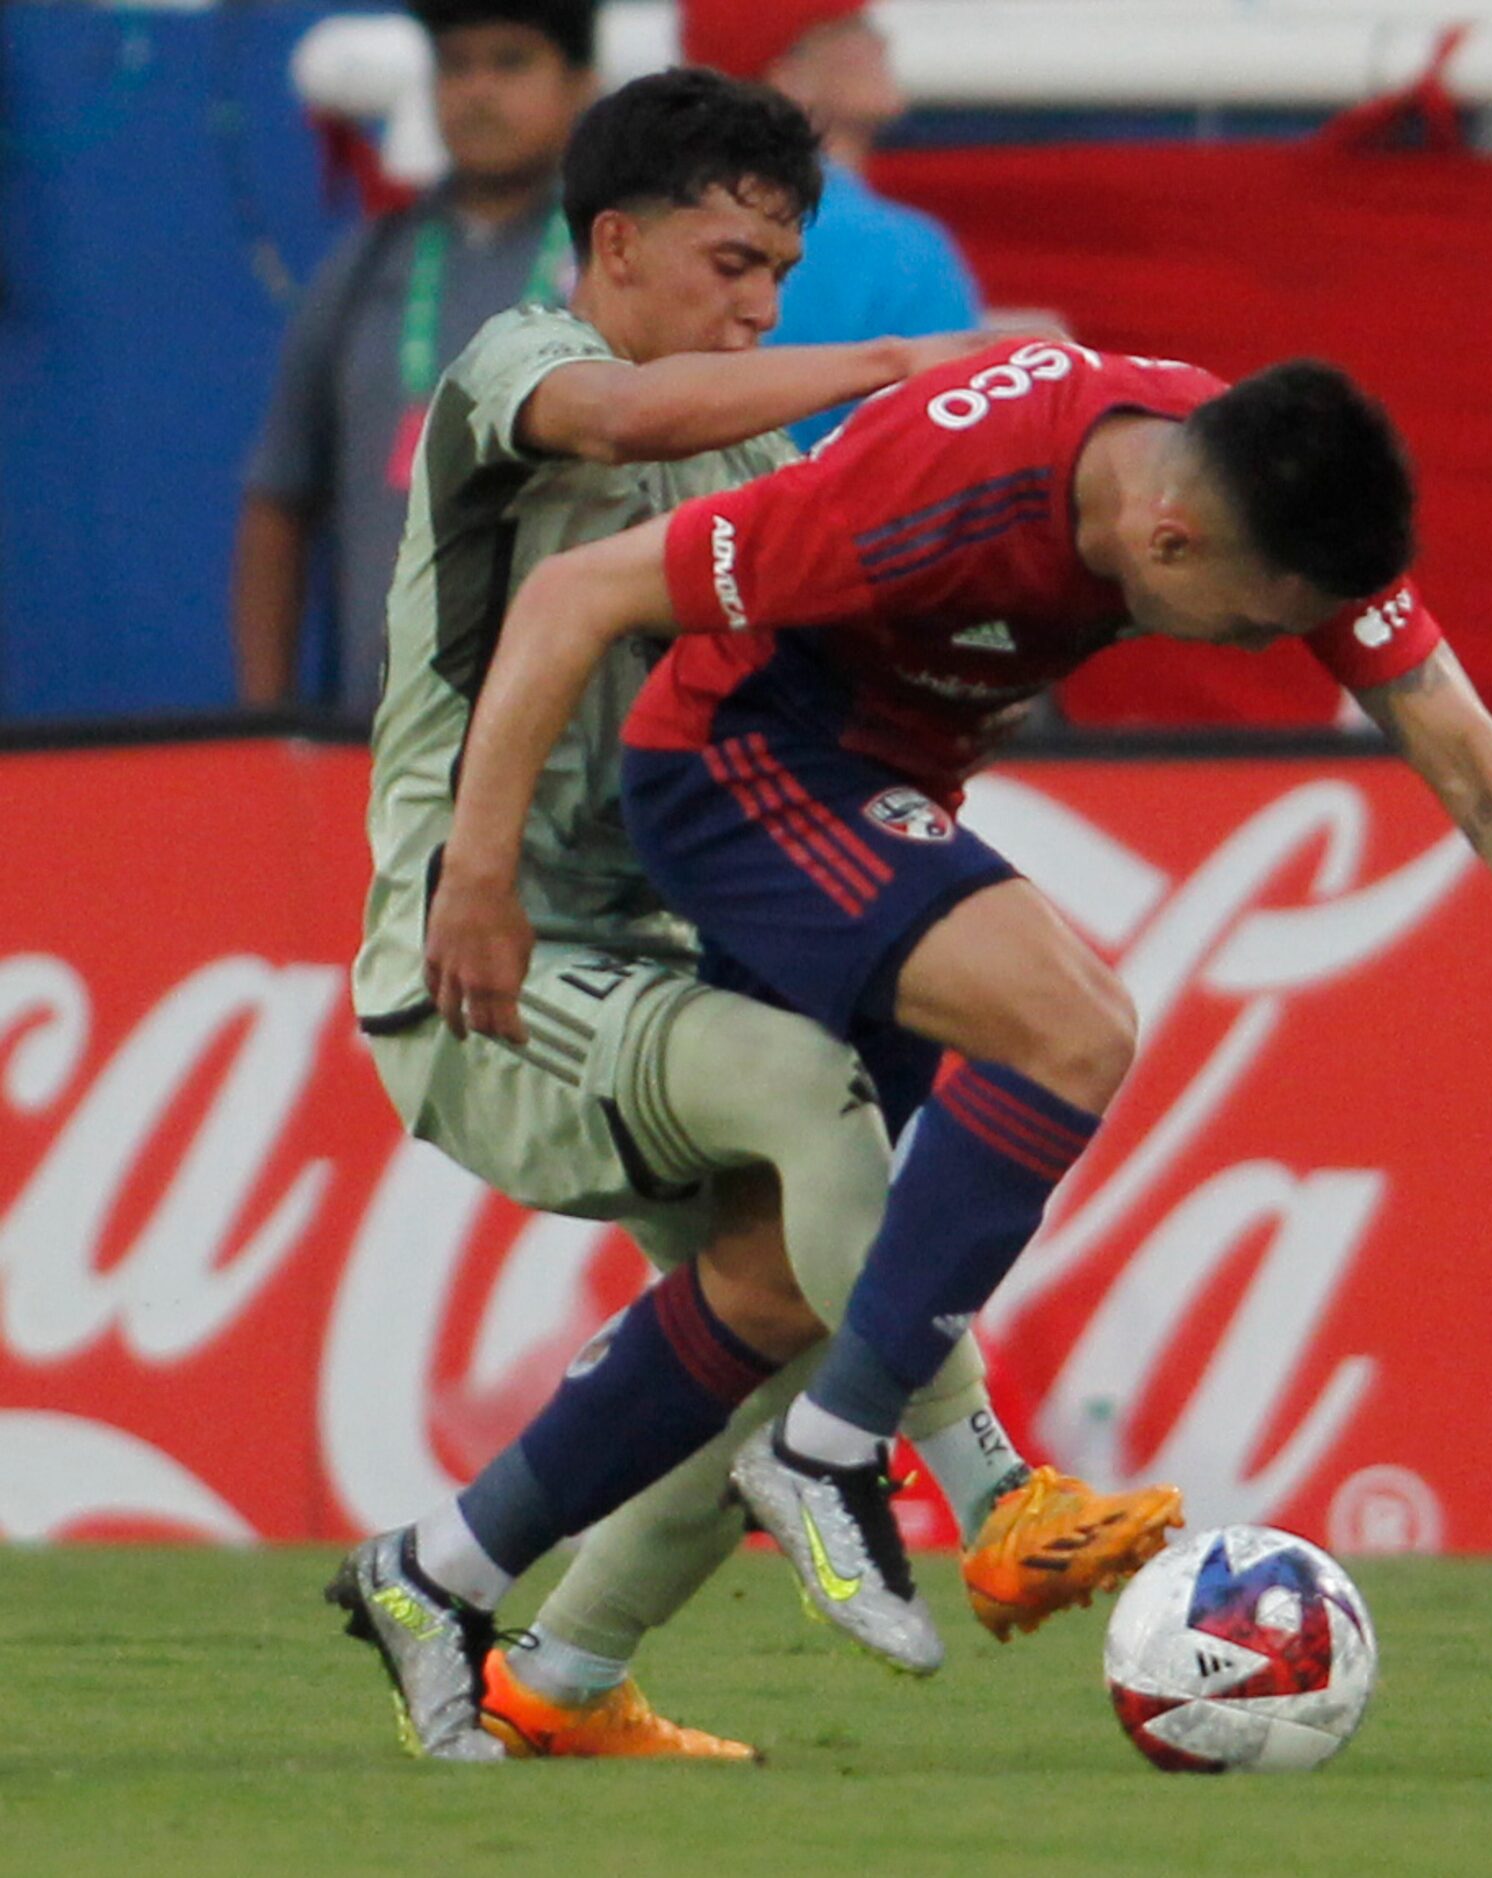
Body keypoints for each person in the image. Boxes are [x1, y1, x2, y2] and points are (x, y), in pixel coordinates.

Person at [425, 337, 1492, 1677]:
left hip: (883, 795)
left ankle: (446, 1578)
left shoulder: (1250, 479)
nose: (1271, 648)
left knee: (771, 1276)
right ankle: (845, 1455)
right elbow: (573, 597)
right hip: (735, 774)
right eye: (1259, 619)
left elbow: (1474, 765)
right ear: (1169, 538)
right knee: (1072, 1021)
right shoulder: (927, 494)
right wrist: (477, 879)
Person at [329, 73, 1180, 1766]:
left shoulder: (750, 453)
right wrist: (898, 367)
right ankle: (995, 1483)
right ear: (617, 244)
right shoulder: (512, 368)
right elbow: (620, 426)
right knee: (813, 1095)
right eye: (730, 262)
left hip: (661, 957)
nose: (758, 305)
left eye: (781, 275)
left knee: (779, 1338)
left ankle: (527, 1650)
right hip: (482, 956)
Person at [234, 0, 597, 721]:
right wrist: (264, 722)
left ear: (582, 86)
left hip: (573, 750)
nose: (478, 90)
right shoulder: (364, 268)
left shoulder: (615, 263)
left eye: (511, 62)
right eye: (455, 66)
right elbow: (279, 501)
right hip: (377, 742)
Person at [680, 0, 982, 449]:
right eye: (852, 27)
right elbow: (954, 455)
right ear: (790, 79)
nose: (882, 40)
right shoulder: (903, 251)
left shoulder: (656, 230)